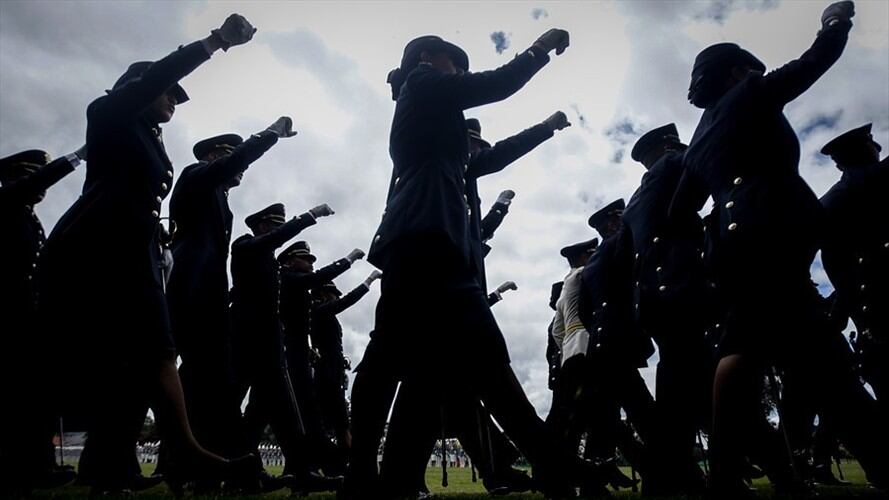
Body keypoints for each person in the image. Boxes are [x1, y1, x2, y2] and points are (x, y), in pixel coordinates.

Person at [347, 29, 581, 499]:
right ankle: (554, 467)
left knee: (424, 368)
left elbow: (490, 158)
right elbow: (493, 85)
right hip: (425, 245)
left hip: (427, 247)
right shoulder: (421, 82)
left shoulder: (439, 133)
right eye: (456, 63)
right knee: (470, 362)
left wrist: (545, 129)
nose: (461, 72)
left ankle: (388, 481)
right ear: (430, 59)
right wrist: (536, 51)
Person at [37, 14, 260, 493]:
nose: (173, 100)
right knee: (135, 353)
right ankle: (182, 450)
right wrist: (215, 42)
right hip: (96, 248)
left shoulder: (149, 138)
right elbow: (157, 77)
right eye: (168, 93)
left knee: (139, 357)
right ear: (137, 89)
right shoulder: (109, 114)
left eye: (177, 97)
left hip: (135, 249)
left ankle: (108, 467)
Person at [671, 1, 886, 492]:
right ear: (734, 72)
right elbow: (815, 61)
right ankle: (881, 457)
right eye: (749, 66)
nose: (755, 72)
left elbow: (678, 214)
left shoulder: (700, 136)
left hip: (732, 246)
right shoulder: (749, 92)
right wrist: (836, 20)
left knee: (764, 349)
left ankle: (727, 472)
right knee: (817, 358)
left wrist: (725, 219)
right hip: (772, 233)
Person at [166, 119, 296, 492]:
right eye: (229, 158)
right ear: (211, 156)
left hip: (208, 295)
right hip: (188, 288)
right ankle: (178, 467)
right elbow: (226, 167)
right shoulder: (196, 176)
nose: (238, 168)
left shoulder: (219, 197)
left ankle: (235, 468)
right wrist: (269, 134)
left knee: (213, 386)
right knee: (180, 378)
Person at [229, 203, 342, 493]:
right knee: (229, 404)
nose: (279, 233)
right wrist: (309, 217)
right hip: (245, 339)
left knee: (284, 409)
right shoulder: (244, 246)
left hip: (269, 343)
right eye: (276, 227)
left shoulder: (270, 263)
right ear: (263, 226)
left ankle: (302, 473)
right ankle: (232, 470)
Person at [624, 124, 711, 495]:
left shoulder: (635, 200)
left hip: (653, 296)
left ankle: (669, 474)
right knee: (686, 383)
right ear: (670, 146)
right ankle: (665, 474)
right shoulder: (677, 165)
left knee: (679, 383)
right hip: (683, 281)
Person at [0, 148, 83, 494]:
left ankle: (38, 467)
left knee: (35, 398)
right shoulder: (5, 203)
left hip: (29, 320)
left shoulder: (30, 217)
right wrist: (78, 157)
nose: (39, 186)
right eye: (28, 175)